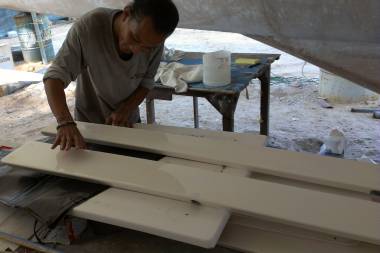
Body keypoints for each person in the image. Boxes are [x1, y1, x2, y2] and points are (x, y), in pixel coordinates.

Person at [43, 0, 179, 151]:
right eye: (134, 38)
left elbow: (146, 82)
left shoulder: (154, 40)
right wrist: (65, 122)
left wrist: (126, 109)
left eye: (147, 48)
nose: (136, 50)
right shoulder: (91, 26)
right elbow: (54, 78)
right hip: (88, 126)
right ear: (126, 14)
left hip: (127, 123)